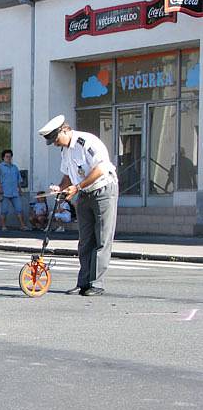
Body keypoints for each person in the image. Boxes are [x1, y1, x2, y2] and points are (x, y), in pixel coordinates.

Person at [38, 114, 118, 296]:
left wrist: (77, 187)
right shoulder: (65, 150)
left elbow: (101, 168)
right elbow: (68, 175)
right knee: (85, 240)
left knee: (102, 239)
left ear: (65, 130)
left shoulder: (86, 142)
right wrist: (60, 188)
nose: (56, 144)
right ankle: (83, 282)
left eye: (56, 139)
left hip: (103, 189)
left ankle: (96, 283)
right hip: (83, 193)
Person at [0, 149, 28, 231]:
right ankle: (3, 226)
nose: (9, 158)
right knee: (4, 210)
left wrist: (20, 190)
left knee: (19, 209)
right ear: (3, 157)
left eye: (10, 156)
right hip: (4, 192)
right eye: (7, 156)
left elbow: (18, 180)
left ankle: (22, 225)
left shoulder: (15, 167)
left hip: (15, 192)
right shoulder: (0, 167)